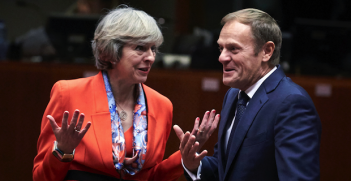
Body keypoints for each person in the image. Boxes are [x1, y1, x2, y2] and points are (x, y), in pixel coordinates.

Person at [33, 6, 184, 181]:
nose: (150, 57)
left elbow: (152, 177)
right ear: (110, 52)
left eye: (153, 49)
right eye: (140, 48)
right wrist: (62, 150)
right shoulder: (67, 94)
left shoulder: (162, 105)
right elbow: (41, 178)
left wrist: (182, 159)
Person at [174, 8, 321, 181]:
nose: (222, 57)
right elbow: (227, 169)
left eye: (233, 49)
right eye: (221, 48)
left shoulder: (291, 103)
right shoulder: (233, 95)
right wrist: (194, 164)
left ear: (266, 51)